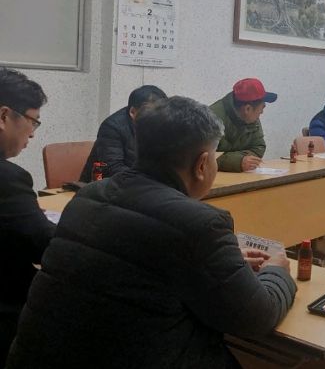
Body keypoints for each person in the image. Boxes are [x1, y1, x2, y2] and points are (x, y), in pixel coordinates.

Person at [7, 97, 297, 368]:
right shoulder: (201, 225)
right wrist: (276, 272)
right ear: (201, 165)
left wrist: (223, 263)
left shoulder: (89, 196)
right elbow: (256, 318)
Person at [0, 68, 55, 363]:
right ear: (4, 116)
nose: (33, 133)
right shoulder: (8, 179)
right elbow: (45, 246)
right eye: (33, 121)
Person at [80, 85, 167, 182]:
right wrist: (147, 182)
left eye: (161, 113)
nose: (158, 118)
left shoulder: (161, 124)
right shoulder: (112, 127)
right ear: (133, 112)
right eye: (152, 114)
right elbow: (112, 168)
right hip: (107, 185)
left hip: (144, 183)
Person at [210, 78, 277, 172]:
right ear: (247, 109)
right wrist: (238, 161)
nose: (262, 112)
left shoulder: (252, 119)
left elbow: (259, 148)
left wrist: (241, 160)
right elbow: (203, 157)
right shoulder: (210, 119)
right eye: (262, 107)